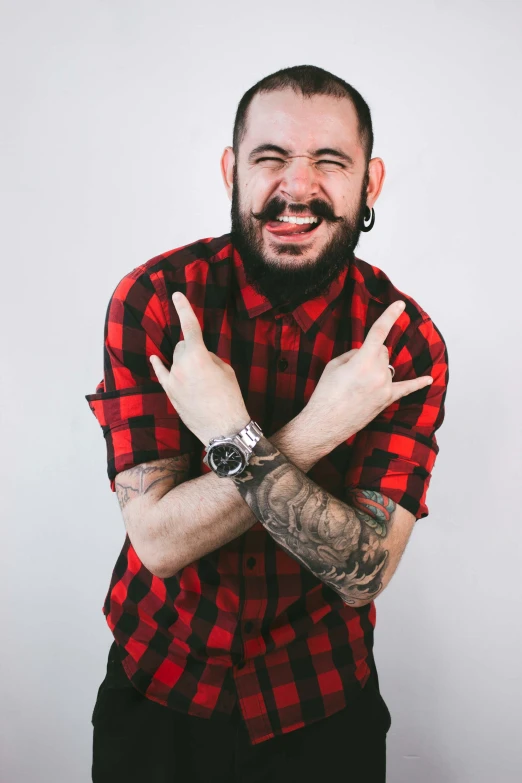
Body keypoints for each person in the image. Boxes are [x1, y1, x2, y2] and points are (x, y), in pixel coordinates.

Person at [86, 64, 449, 783]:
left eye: (330, 162)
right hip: (159, 686)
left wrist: (229, 433)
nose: (297, 186)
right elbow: (157, 539)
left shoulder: (404, 344)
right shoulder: (156, 303)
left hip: (320, 703)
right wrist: (316, 429)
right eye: (271, 157)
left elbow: (363, 572)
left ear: (369, 184)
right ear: (232, 170)